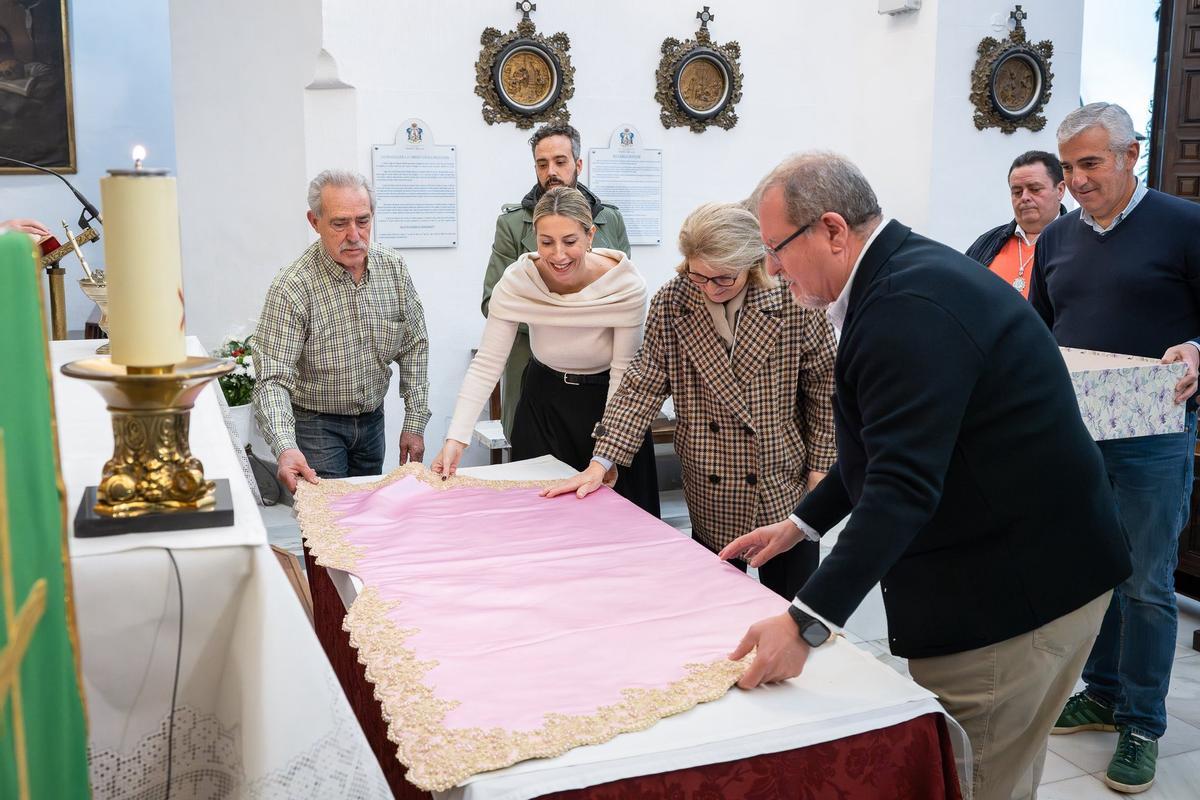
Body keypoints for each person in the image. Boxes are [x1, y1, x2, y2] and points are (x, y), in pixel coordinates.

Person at [721, 152, 1130, 800]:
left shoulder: (903, 304)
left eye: (776, 248)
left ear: (832, 229)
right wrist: (802, 524)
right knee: (1005, 774)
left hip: (1014, 600)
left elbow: (903, 484)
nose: (770, 268)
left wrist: (805, 621)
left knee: (971, 782)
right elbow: (893, 446)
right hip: (1038, 571)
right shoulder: (904, 278)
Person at [543, 202, 837, 599]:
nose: (710, 289)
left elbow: (825, 387)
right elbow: (643, 385)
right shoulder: (674, 301)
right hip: (710, 484)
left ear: (753, 266)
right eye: (699, 276)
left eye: (723, 279)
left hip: (780, 480)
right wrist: (602, 461)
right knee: (712, 608)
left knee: (791, 609)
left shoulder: (794, 299)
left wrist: (821, 466)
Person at [1031, 102, 1200, 794]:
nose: (1076, 180)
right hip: (1079, 434)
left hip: (1154, 435)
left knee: (1147, 582)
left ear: (1132, 156)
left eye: (1091, 164)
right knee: (1094, 569)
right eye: (1068, 168)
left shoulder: (1185, 226)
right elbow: (1039, 330)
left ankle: (1141, 723)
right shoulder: (1057, 239)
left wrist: (1197, 348)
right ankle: (1099, 691)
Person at [435, 186, 658, 515]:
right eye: (546, 242)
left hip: (608, 406)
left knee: (614, 518)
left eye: (570, 241)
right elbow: (488, 363)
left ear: (590, 235)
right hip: (544, 404)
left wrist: (605, 454)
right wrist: (457, 438)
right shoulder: (518, 281)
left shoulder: (624, 285)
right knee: (540, 516)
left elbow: (623, 372)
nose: (558, 255)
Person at [253, 169, 430, 491]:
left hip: (373, 421)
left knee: (368, 516)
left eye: (362, 221)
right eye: (339, 223)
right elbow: (272, 378)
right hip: (316, 424)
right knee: (328, 522)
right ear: (314, 221)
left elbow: (414, 344)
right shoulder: (292, 286)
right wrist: (285, 446)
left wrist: (415, 422)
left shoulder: (393, 268)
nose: (354, 234)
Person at [482, 123, 630, 440]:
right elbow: (492, 301)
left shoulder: (610, 219)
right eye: (542, 163)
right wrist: (560, 320)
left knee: (599, 469)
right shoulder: (512, 223)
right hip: (534, 370)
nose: (551, 171)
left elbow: (624, 295)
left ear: (577, 164)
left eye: (560, 162)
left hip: (601, 376)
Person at [965, 150, 1066, 298]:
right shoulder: (987, 242)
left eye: (1035, 189)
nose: (1024, 197)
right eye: (1017, 192)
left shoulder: (1079, 242)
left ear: (1060, 190)